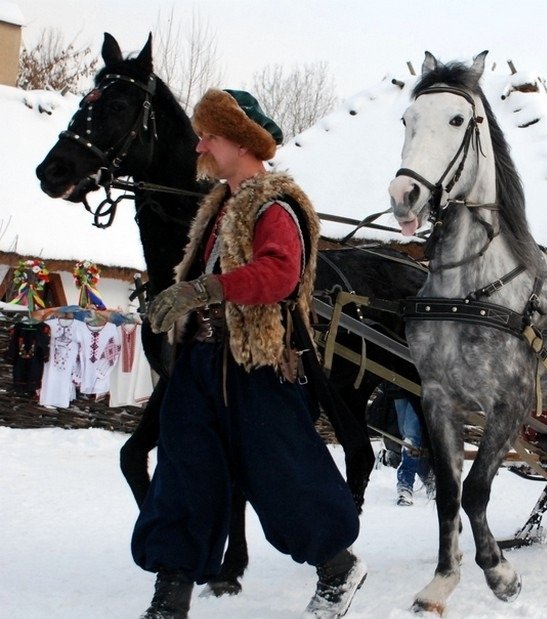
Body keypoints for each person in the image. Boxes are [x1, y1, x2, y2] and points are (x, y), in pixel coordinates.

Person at [132, 89, 366, 618]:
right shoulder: (219, 206)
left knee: (281, 472)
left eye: (209, 136)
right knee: (183, 470)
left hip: (255, 365)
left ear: (238, 142)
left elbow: (280, 274)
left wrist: (205, 290)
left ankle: (338, 566)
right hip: (198, 363)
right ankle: (171, 595)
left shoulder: (275, 204)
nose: (200, 145)